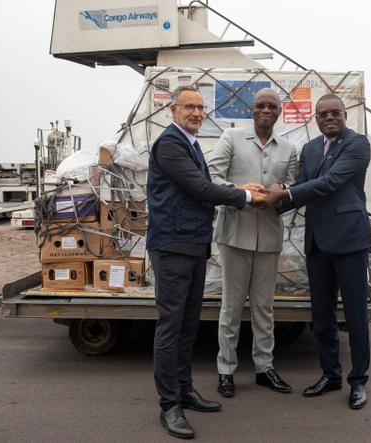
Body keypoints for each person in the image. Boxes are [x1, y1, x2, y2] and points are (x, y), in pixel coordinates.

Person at [146, 85, 265, 439]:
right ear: (173, 110)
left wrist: (237, 187)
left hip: (194, 245)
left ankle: (184, 390)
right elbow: (200, 188)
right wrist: (245, 196)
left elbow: (202, 184)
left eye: (200, 108)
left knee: (188, 325)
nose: (197, 113)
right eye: (189, 107)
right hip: (173, 246)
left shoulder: (191, 144)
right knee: (171, 327)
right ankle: (169, 404)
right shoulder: (170, 144)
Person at [264, 94, 371, 410]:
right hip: (318, 243)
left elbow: (330, 182)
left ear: (344, 115)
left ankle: (358, 381)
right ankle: (330, 375)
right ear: (316, 118)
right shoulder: (311, 149)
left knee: (355, 315)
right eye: (323, 114)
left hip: (349, 240)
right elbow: (302, 188)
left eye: (334, 112)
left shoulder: (357, 145)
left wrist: (282, 193)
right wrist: (265, 204)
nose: (329, 118)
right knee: (321, 316)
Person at [207, 89, 298, 397]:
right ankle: (226, 370)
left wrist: (281, 188)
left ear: (279, 111)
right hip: (235, 234)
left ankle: (264, 368)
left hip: (269, 237)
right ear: (252, 109)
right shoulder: (232, 138)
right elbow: (212, 176)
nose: (266, 110)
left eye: (272, 106)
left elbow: (296, 184)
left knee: (264, 308)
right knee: (231, 308)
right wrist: (242, 192)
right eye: (260, 105)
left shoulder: (288, 148)